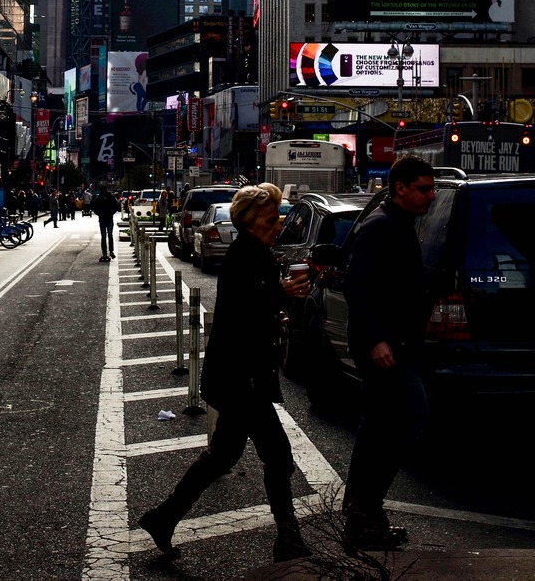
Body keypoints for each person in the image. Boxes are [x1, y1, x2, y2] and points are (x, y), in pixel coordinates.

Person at [137, 183, 313, 563]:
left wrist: (278, 304)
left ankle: (163, 518)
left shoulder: (255, 253)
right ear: (250, 221)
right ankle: (289, 539)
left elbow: (251, 310)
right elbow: (246, 311)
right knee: (278, 457)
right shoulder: (249, 255)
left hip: (236, 376)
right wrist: (282, 296)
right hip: (241, 379)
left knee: (223, 456)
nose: (277, 224)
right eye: (270, 218)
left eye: (278, 216)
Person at [338, 154, 437, 552]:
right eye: (424, 189)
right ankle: (363, 511)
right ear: (400, 188)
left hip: (400, 346)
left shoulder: (399, 224)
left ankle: (364, 514)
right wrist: (377, 339)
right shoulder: (381, 227)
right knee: (404, 422)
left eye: (432, 189)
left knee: (383, 427)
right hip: (385, 349)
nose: (430, 196)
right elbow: (357, 288)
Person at [91, 184, 121, 262]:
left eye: (105, 189)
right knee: (104, 236)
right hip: (103, 218)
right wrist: (100, 214)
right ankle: (105, 253)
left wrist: (111, 213)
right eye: (103, 190)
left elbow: (115, 207)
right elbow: (95, 209)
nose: (104, 191)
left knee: (109, 235)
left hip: (108, 218)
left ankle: (111, 251)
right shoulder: (99, 199)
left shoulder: (111, 198)